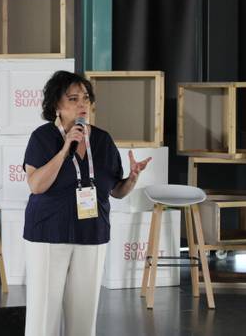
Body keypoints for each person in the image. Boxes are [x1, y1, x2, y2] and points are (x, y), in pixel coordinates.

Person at [23, 70, 151, 336]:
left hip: (92, 233)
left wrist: (133, 179)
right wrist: (64, 149)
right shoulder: (42, 138)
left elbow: (116, 191)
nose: (82, 104)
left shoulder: (103, 140)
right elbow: (36, 185)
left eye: (86, 98)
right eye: (73, 98)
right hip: (49, 233)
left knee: (84, 317)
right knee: (43, 316)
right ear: (57, 105)